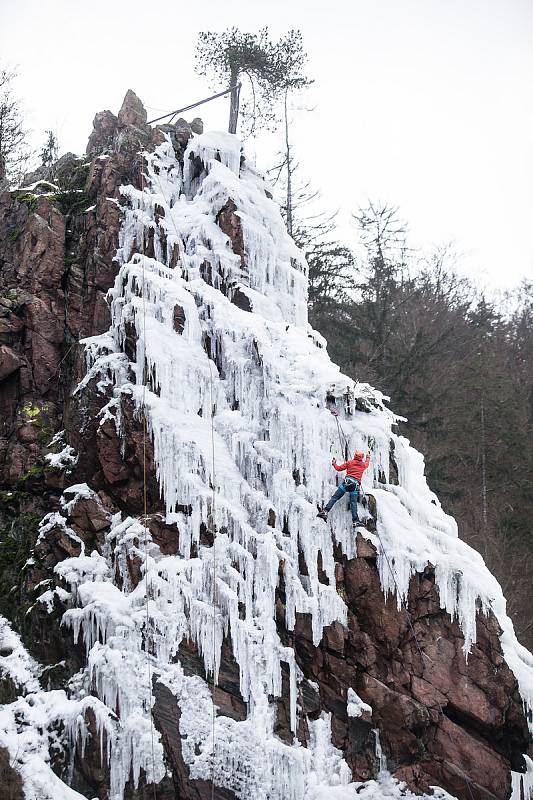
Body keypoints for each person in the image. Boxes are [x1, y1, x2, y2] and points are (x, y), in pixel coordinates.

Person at [317, 450, 371, 527]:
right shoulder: (363, 465)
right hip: (355, 486)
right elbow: (367, 463)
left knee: (335, 497)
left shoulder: (349, 462)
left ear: (355, 455)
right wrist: (368, 457)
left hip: (347, 483)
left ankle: (325, 511)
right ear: (361, 458)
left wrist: (334, 463)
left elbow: (339, 468)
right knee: (353, 503)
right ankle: (355, 521)